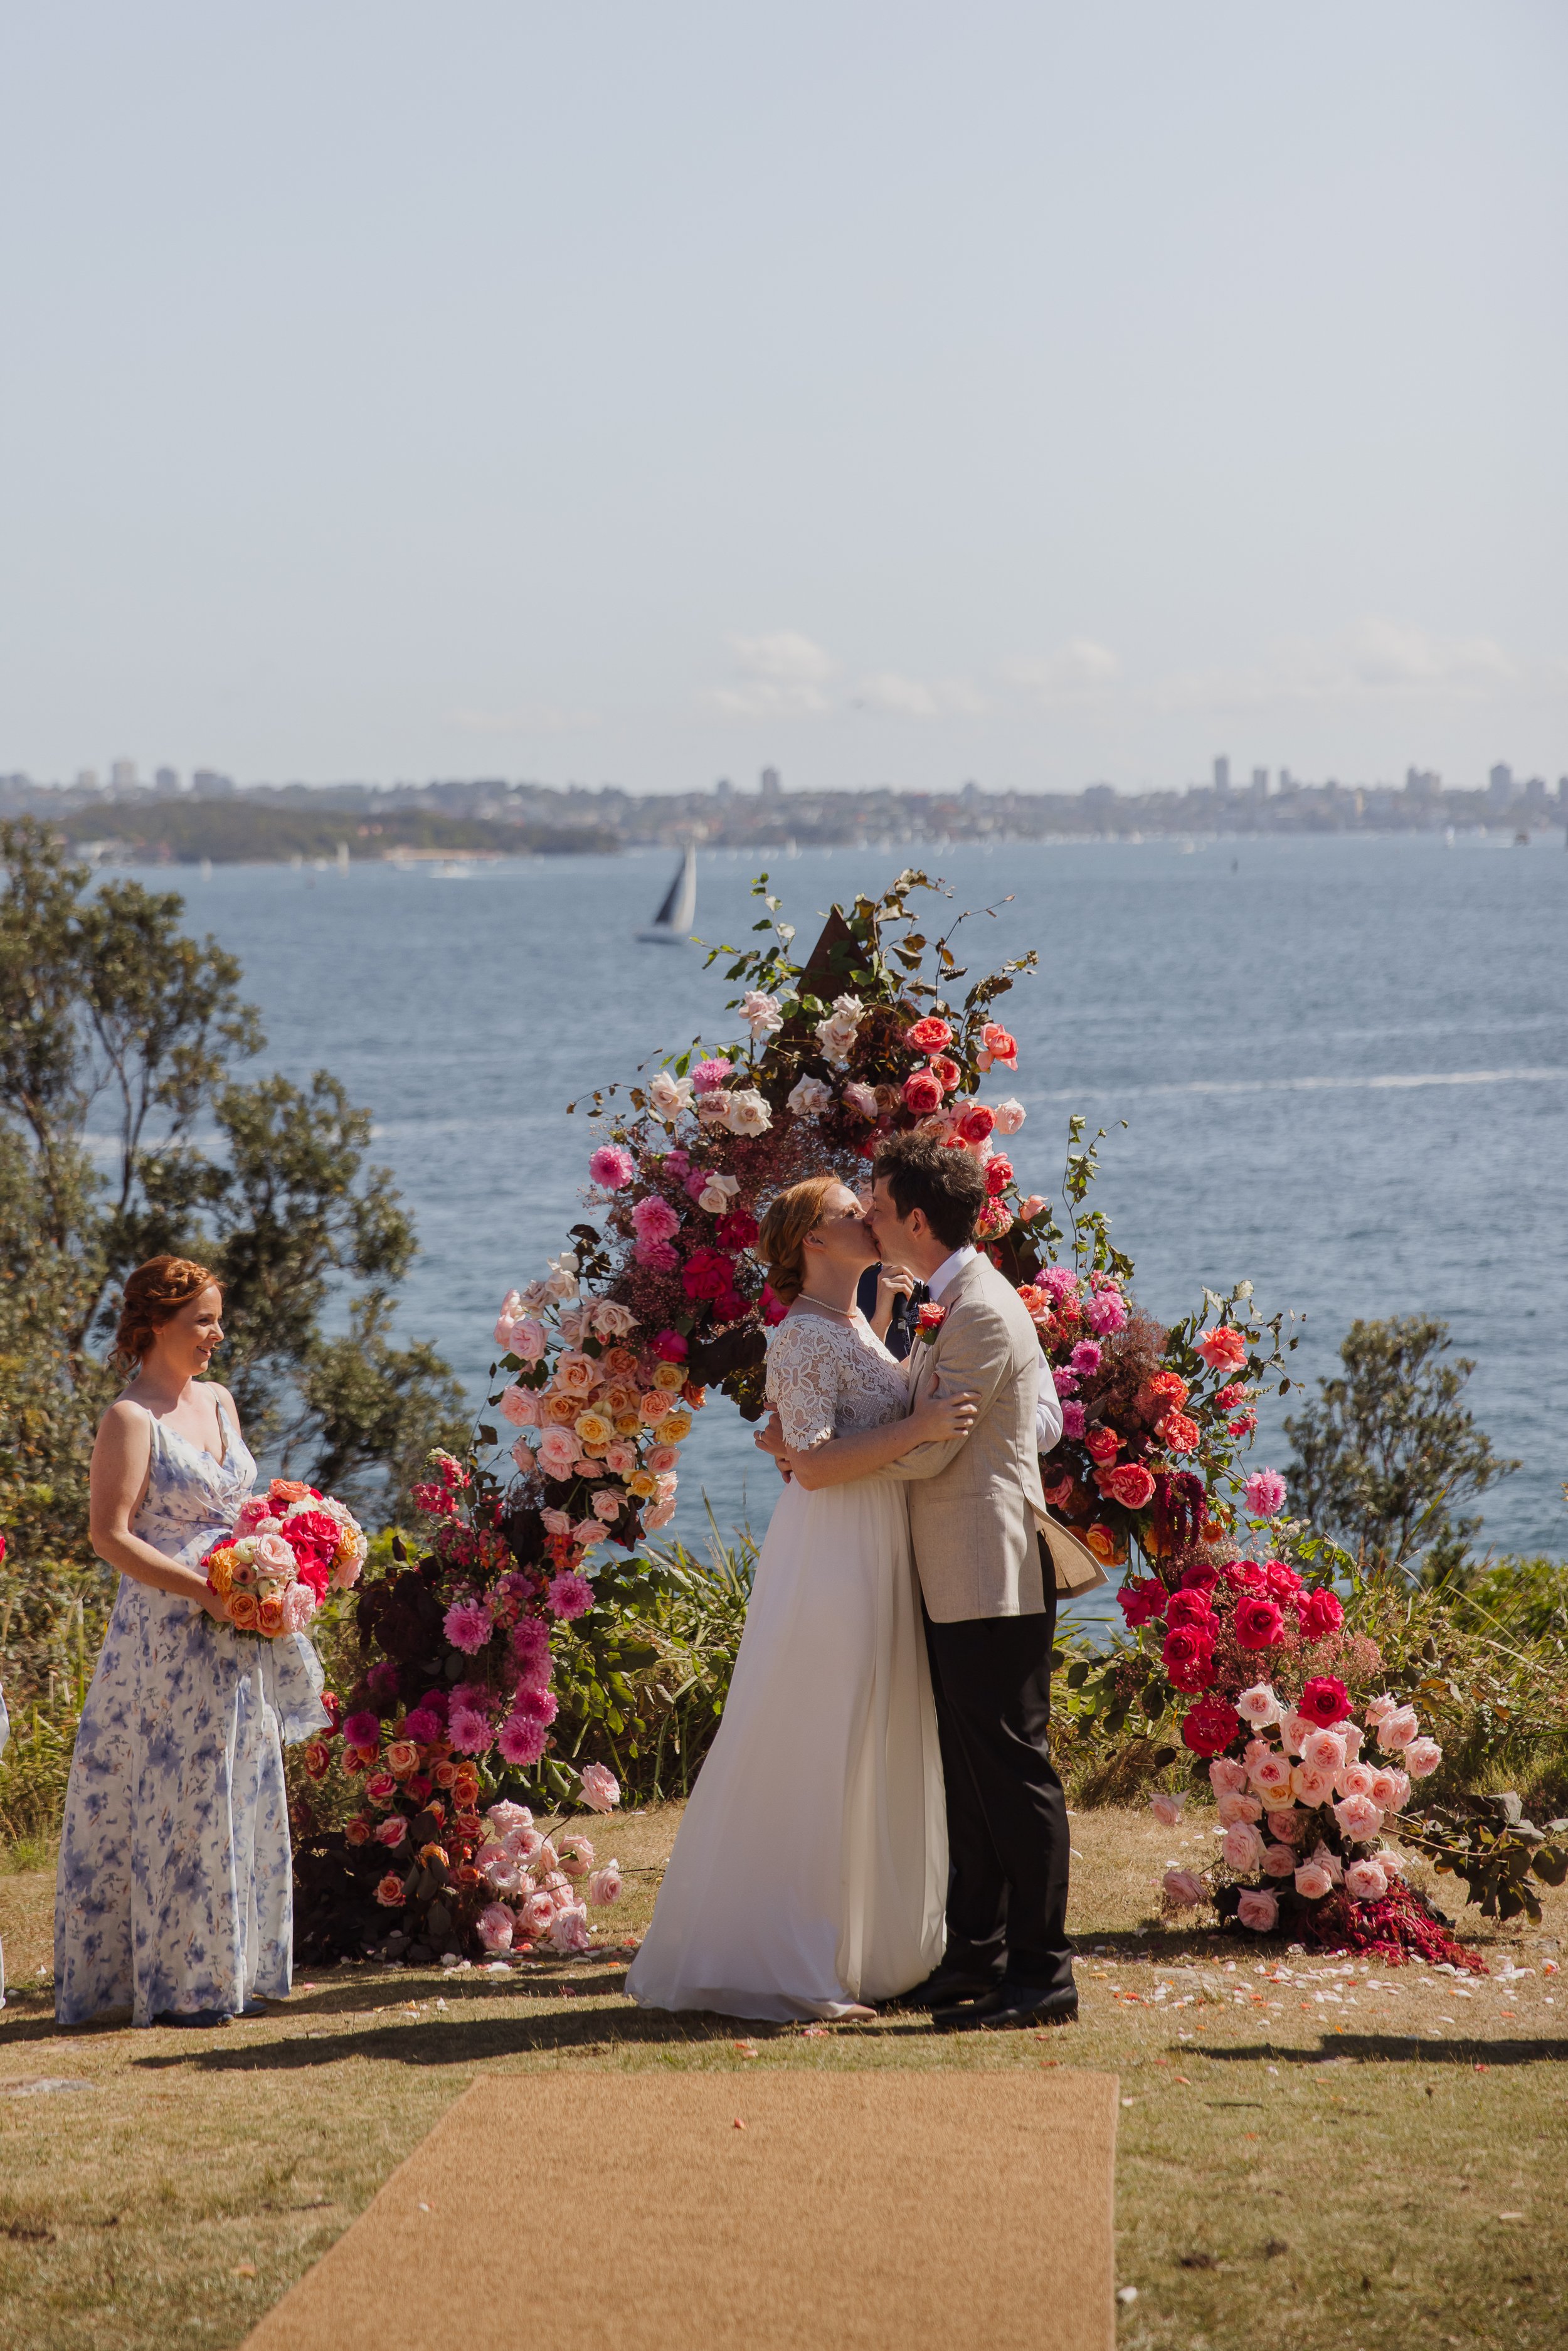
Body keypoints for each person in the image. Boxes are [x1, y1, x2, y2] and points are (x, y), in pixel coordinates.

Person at [762, 1133, 1103, 2032]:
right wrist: (809, 1451)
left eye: (875, 1205)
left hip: (986, 1568)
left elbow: (939, 1447)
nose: (868, 1216)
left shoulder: (982, 1310)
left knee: (1011, 1769)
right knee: (972, 1771)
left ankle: (1042, 1973)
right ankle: (976, 1957)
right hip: (955, 1568)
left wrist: (821, 1464)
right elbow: (921, 1424)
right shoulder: (948, 1301)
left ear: (915, 1220)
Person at [625, 1176, 978, 2022]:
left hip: (880, 1541)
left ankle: (874, 1948)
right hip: (835, 1552)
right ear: (813, 1242)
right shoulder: (798, 1337)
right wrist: (923, 1428)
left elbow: (837, 1431)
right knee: (826, 1734)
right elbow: (813, 1463)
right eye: (850, 1213)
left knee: (878, 1733)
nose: (871, 1219)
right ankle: (792, 1959)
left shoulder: (857, 1319)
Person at [54, 1256, 327, 2029]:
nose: (216, 1333)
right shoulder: (129, 1418)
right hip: (163, 1636)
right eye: (201, 1319)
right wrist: (204, 1589)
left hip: (239, 1632)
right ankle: (175, 1984)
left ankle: (230, 1970)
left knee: (233, 1783)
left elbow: (237, 1510)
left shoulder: (219, 1401)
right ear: (154, 1326)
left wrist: (289, 1549)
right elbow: (109, 1537)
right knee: (174, 1794)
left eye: (216, 1317)